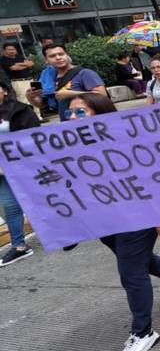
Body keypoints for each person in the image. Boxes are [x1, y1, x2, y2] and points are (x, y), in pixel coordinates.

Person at [64, 92, 160, 351]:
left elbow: (149, 177)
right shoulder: (74, 144)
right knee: (139, 261)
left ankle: (143, 332)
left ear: (100, 112)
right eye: (70, 112)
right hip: (106, 219)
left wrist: (159, 216)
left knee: (131, 272)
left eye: (80, 112)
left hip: (137, 215)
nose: (72, 117)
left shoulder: (124, 140)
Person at [0, 79, 41, 267]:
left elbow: (34, 137)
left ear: (4, 91)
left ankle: (66, 231)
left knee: (41, 200)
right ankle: (19, 246)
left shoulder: (21, 110)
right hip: (1, 172)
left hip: (23, 166)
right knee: (10, 206)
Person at [31, 44, 107, 120]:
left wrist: (70, 94)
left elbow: (102, 96)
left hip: (90, 121)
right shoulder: (49, 79)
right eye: (52, 56)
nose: (58, 57)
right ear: (46, 60)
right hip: (68, 124)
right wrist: (31, 97)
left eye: (61, 54)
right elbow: (43, 105)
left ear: (67, 55)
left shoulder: (84, 73)